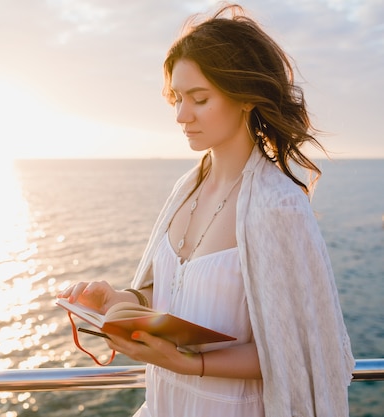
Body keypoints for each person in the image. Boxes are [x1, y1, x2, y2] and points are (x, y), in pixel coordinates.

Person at [58, 3, 354, 416]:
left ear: (246, 98)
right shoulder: (185, 188)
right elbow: (167, 291)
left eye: (199, 98)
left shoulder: (277, 204)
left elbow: (300, 354)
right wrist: (118, 300)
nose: (181, 115)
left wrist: (188, 362)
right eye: (177, 98)